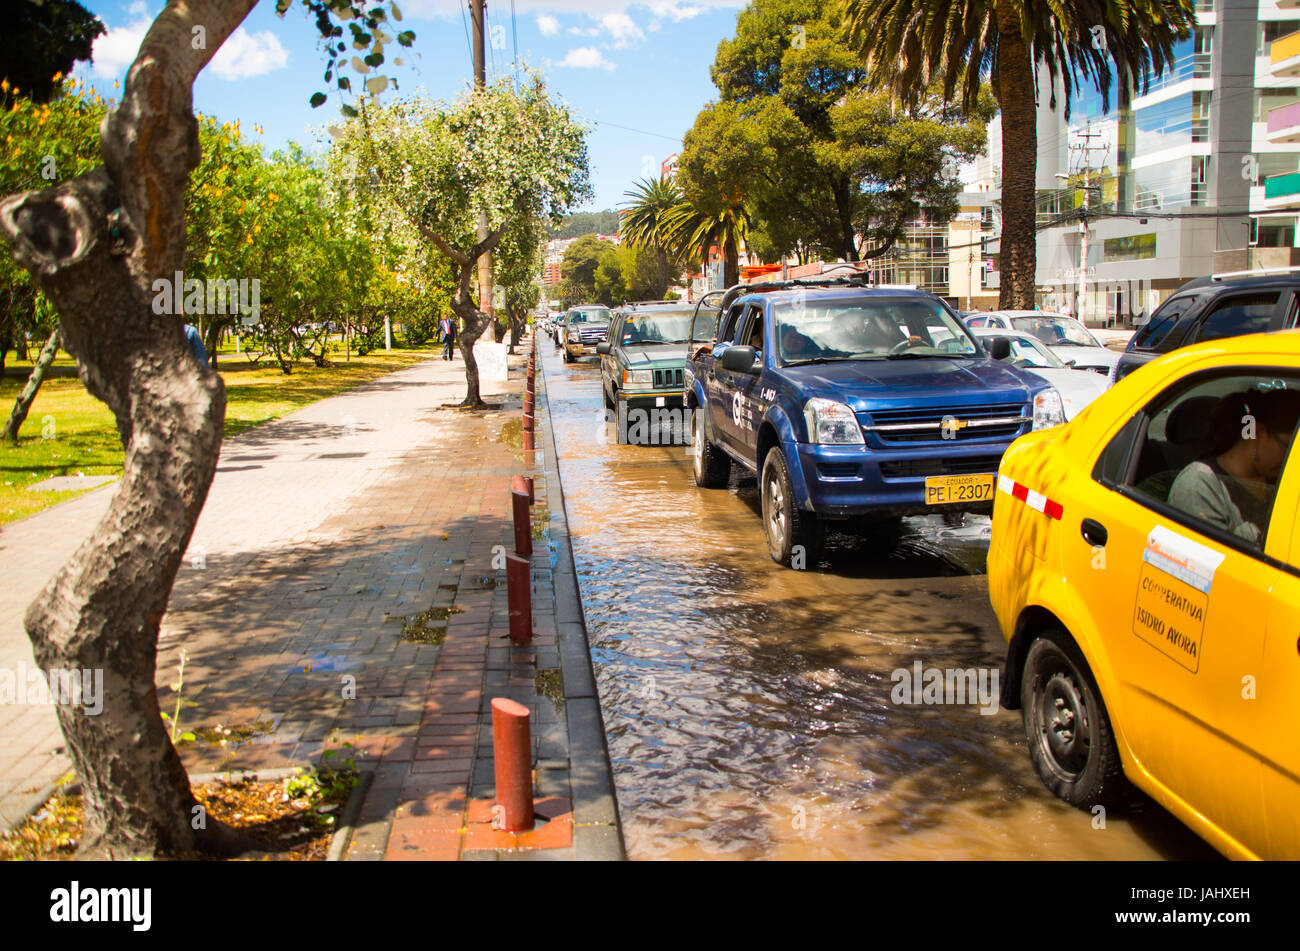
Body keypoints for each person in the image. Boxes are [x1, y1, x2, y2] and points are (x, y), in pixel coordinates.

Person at [1168, 387, 1300, 543]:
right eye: (1289, 449)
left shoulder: (1281, 481)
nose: (1293, 460)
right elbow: (1209, 557)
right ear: (1257, 432)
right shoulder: (1198, 485)